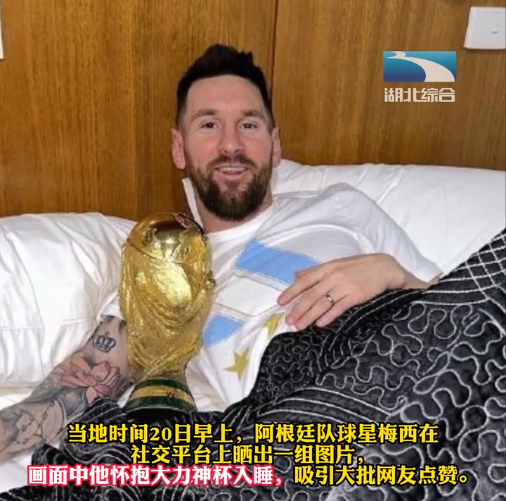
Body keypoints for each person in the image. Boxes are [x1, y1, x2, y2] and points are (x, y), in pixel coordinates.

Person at [0, 44, 439, 462]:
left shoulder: (343, 206)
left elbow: (460, 313)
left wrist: (394, 275)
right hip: (314, 430)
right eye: (209, 125)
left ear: (275, 144)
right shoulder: (162, 271)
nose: (231, 145)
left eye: (248, 125)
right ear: (179, 148)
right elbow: (76, 386)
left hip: (416, 376)